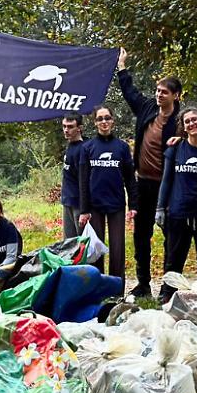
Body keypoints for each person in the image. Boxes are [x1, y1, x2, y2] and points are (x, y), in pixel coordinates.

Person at [116, 49, 181, 298]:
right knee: (141, 235)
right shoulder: (146, 109)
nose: (158, 94)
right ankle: (143, 284)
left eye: (164, 92)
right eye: (157, 91)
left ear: (175, 95)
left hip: (169, 188)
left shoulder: (182, 120)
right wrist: (122, 67)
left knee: (171, 237)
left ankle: (168, 286)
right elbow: (129, 91)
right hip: (142, 185)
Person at [156, 106, 197, 303]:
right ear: (183, 127)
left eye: (195, 120)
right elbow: (167, 180)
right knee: (174, 256)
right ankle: (167, 292)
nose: (191, 124)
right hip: (178, 211)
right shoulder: (176, 148)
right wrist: (160, 208)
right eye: (187, 121)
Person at [78, 105, 137, 282]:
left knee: (117, 249)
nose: (104, 122)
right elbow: (83, 181)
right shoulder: (87, 147)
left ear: (112, 121)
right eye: (100, 119)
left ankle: (116, 288)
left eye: (107, 118)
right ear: (95, 122)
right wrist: (84, 209)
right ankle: (97, 286)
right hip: (95, 206)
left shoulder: (122, 147)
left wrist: (133, 204)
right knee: (96, 249)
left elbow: (130, 178)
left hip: (117, 205)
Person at [60, 113, 86, 238]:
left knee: (82, 245)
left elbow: (84, 181)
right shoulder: (70, 145)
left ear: (79, 128)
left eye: (70, 127)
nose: (66, 130)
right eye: (64, 126)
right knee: (69, 245)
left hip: (78, 205)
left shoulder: (83, 150)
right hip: (67, 201)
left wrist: (84, 210)